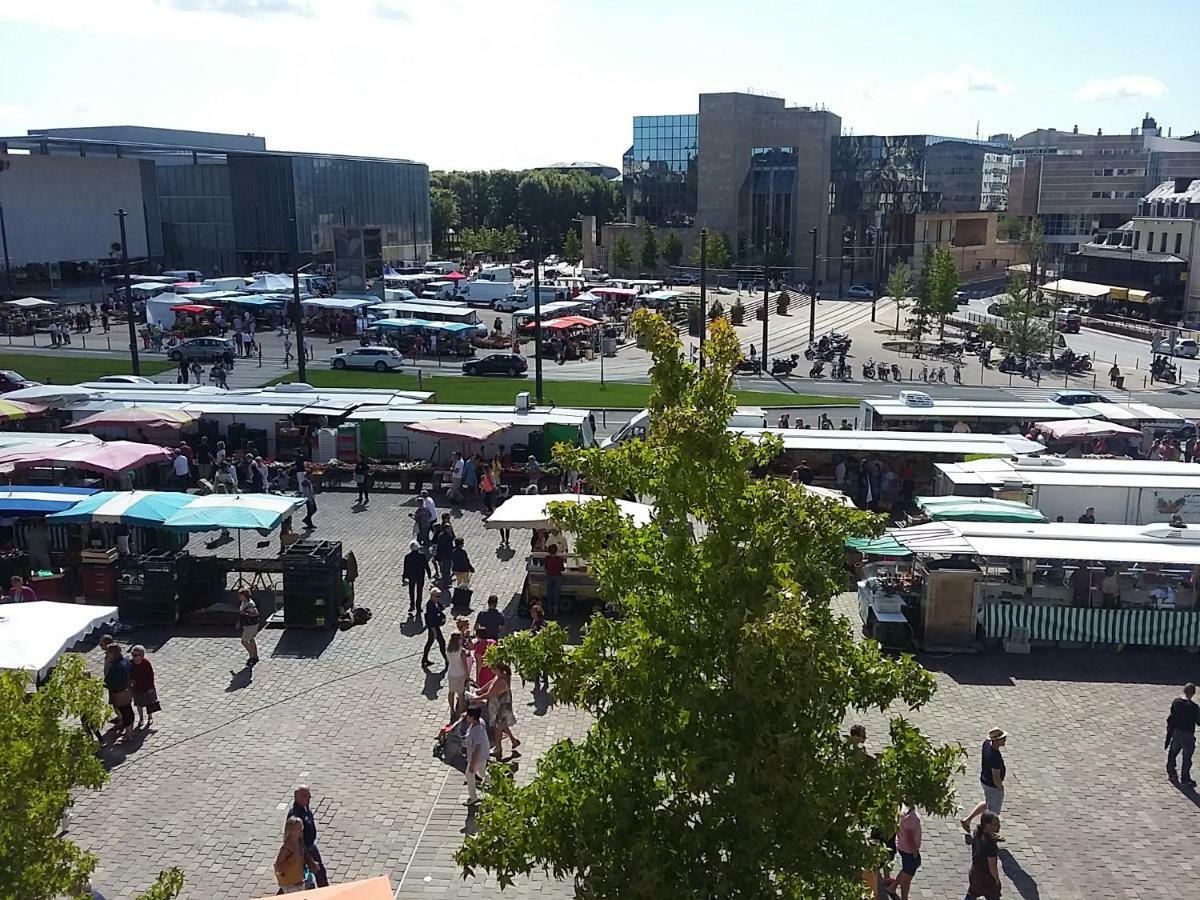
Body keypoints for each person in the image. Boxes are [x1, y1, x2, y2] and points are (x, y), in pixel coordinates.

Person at [961, 728, 1007, 834]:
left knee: (987, 803)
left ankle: (967, 821)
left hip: (984, 780)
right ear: (996, 740)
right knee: (992, 814)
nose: (1005, 740)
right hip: (992, 786)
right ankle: (987, 833)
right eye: (1002, 738)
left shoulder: (986, 744)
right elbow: (996, 777)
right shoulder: (995, 757)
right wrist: (1000, 788)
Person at [471, 661, 519, 761]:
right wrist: (480, 690)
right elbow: (490, 683)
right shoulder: (502, 675)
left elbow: (489, 694)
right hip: (501, 705)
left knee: (498, 729)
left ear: (497, 669)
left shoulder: (501, 682)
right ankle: (513, 740)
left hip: (500, 708)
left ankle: (498, 748)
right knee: (502, 725)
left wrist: (475, 698)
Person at [288, 785, 329, 888]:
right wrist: (310, 861)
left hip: (311, 846)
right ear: (298, 797)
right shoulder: (296, 816)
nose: (309, 797)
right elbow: (298, 841)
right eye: (306, 795)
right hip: (303, 851)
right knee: (297, 878)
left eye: (309, 794)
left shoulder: (305, 807)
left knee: (321, 874)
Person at [1166, 682, 1199, 787]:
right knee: (1187, 756)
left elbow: (1172, 714)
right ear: (1193, 693)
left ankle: (1171, 773)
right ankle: (1185, 778)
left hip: (1176, 732)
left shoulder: (1176, 702)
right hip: (1187, 734)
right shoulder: (1194, 707)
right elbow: (1199, 721)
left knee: (1173, 753)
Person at [965, 812, 1002, 900]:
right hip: (987, 878)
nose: (999, 826)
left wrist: (992, 836)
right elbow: (992, 866)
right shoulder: (990, 846)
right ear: (987, 825)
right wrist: (997, 880)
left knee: (972, 893)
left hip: (975, 872)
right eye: (995, 824)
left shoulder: (977, 831)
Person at [103, 643, 135, 742]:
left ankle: (128, 735)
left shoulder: (115, 667)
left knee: (125, 713)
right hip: (127, 691)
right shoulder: (126, 661)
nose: (106, 655)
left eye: (108, 653)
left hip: (119, 693)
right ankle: (130, 732)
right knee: (129, 711)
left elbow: (108, 681)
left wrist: (107, 664)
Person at [274, 817, 311, 893]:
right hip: (290, 883)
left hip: (300, 880)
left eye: (301, 827)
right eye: (297, 828)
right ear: (291, 831)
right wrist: (291, 859)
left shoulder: (299, 842)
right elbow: (278, 866)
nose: (301, 830)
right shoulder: (286, 848)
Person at [894, 800, 922, 900]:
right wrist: (915, 852)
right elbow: (910, 839)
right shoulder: (911, 818)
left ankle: (892, 888)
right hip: (909, 850)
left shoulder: (904, 810)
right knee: (906, 879)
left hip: (903, 846)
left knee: (906, 869)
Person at [463, 706, 490, 806]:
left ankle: (472, 797)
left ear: (472, 717)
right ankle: (493, 784)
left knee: (469, 775)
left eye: (468, 715)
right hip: (483, 756)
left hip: (477, 758)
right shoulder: (480, 721)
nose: (466, 717)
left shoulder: (477, 731)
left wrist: (472, 765)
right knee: (482, 772)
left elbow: (476, 749)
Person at [129, 645, 159, 729]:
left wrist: (150, 688)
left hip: (146, 686)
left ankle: (150, 716)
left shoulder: (146, 663)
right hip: (137, 687)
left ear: (141, 655)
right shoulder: (131, 663)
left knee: (149, 702)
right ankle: (141, 718)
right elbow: (129, 674)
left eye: (135, 655)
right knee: (138, 704)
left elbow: (151, 676)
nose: (133, 657)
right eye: (132, 654)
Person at [402, 539, 431, 615]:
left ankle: (412, 605)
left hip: (411, 576)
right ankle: (418, 606)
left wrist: (404, 577)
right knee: (419, 591)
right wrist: (429, 574)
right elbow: (426, 566)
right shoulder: (422, 556)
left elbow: (405, 568)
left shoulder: (407, 557)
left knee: (411, 591)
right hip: (420, 576)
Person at [446, 632, 471, 720]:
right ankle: (461, 712)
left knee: (451, 692)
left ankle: (452, 709)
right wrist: (467, 676)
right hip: (460, 673)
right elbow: (464, 665)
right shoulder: (462, 651)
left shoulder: (448, 649)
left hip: (451, 673)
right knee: (461, 694)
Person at [421, 586, 447, 668]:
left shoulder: (435, 603)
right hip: (434, 628)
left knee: (429, 642)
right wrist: (434, 632)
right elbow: (430, 622)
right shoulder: (430, 606)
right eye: (437, 596)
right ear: (432, 596)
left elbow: (440, 607)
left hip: (435, 626)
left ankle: (424, 659)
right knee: (441, 643)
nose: (439, 598)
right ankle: (447, 660)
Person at [238, 589, 260, 666]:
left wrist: (246, 614)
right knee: (251, 640)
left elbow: (256, 614)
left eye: (241, 595)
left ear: (244, 596)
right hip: (248, 625)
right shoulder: (244, 602)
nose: (239, 597)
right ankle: (255, 656)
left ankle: (252, 656)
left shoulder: (250, 604)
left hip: (251, 625)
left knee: (244, 641)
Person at [543, 543, 565, 612]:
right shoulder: (559, 559)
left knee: (549, 592)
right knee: (556, 592)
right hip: (558, 576)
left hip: (549, 576)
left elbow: (545, 568)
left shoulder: (547, 559)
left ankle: (549, 607)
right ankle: (555, 608)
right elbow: (562, 569)